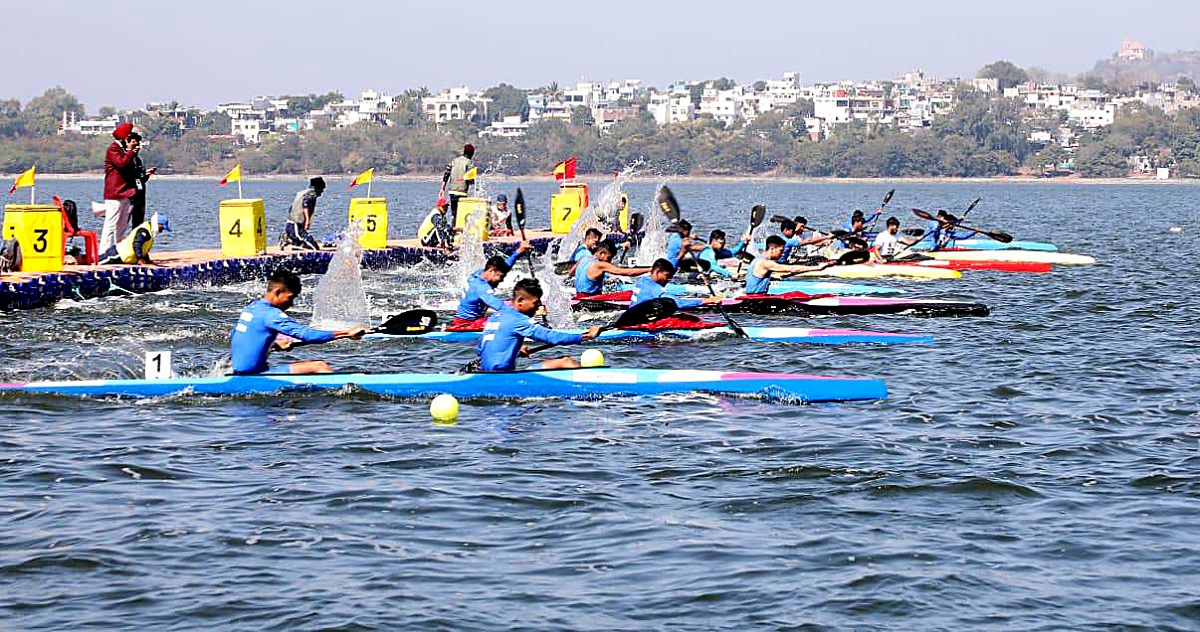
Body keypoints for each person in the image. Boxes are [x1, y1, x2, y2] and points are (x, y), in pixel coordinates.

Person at [230, 269, 367, 375]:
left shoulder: (252, 308)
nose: (291, 304)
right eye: (290, 298)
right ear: (277, 292)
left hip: (240, 371)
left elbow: (239, 336)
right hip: (255, 375)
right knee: (320, 366)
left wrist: (274, 344)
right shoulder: (271, 315)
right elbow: (307, 335)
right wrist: (347, 333)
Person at [476, 278, 601, 372]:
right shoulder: (518, 319)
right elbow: (551, 337)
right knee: (566, 362)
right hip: (503, 378)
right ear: (520, 301)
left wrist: (513, 348)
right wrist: (587, 335)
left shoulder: (494, 317)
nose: (538, 307)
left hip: (487, 374)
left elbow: (482, 350)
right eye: (535, 303)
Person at [449, 241, 532, 330]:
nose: (502, 280)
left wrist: (519, 251)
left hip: (473, 321)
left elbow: (505, 267)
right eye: (500, 276)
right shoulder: (482, 287)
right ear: (491, 271)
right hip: (465, 324)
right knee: (503, 321)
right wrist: (522, 312)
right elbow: (497, 305)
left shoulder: (479, 274)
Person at [746, 235, 834, 295]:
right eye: (781, 251)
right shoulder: (765, 263)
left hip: (755, 295)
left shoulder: (757, 259)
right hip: (755, 299)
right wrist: (817, 268)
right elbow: (792, 269)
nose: (782, 254)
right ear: (772, 248)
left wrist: (772, 278)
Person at [100, 122, 140, 252]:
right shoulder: (113, 149)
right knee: (111, 224)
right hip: (115, 191)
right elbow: (121, 164)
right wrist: (129, 151)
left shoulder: (122, 149)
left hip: (125, 191)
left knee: (122, 225)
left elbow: (129, 166)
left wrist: (131, 153)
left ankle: (116, 250)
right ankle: (104, 252)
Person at [631, 259, 723, 309]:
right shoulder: (655, 289)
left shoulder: (642, 280)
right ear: (658, 272)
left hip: (631, 316)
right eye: (667, 275)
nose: (669, 279)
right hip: (641, 321)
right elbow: (679, 303)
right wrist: (707, 301)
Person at [574, 239, 651, 296]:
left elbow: (571, 273)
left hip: (578, 296)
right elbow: (627, 272)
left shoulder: (583, 258)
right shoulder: (600, 264)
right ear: (601, 253)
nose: (610, 261)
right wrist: (650, 269)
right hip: (590, 300)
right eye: (609, 258)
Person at [99, 212, 170, 265]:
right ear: (157, 223)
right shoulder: (144, 230)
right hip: (117, 254)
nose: (162, 230)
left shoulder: (151, 233)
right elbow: (137, 244)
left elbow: (144, 249)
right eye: (162, 227)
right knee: (96, 262)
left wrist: (147, 260)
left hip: (125, 259)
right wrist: (140, 259)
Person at [281, 177, 325, 251]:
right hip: (295, 225)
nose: (322, 192)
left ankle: (291, 239)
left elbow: (292, 208)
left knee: (301, 244)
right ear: (317, 187)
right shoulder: (311, 193)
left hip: (292, 224)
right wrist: (307, 221)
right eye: (322, 189)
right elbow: (306, 205)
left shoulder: (303, 193)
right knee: (314, 247)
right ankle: (288, 238)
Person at [440, 143, 476, 226]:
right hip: (462, 192)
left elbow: (446, 174)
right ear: (472, 153)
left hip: (452, 191)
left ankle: (453, 229)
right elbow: (470, 179)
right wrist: (475, 188)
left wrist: (442, 189)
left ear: (463, 151)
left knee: (454, 213)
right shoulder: (469, 163)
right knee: (461, 213)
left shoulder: (454, 160)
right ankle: (458, 230)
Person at [126, 132, 157, 227]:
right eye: (134, 143)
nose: (137, 147)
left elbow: (141, 178)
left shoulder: (137, 160)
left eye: (138, 144)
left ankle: (135, 240)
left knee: (138, 224)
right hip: (128, 197)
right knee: (122, 223)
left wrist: (147, 174)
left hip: (139, 196)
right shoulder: (124, 159)